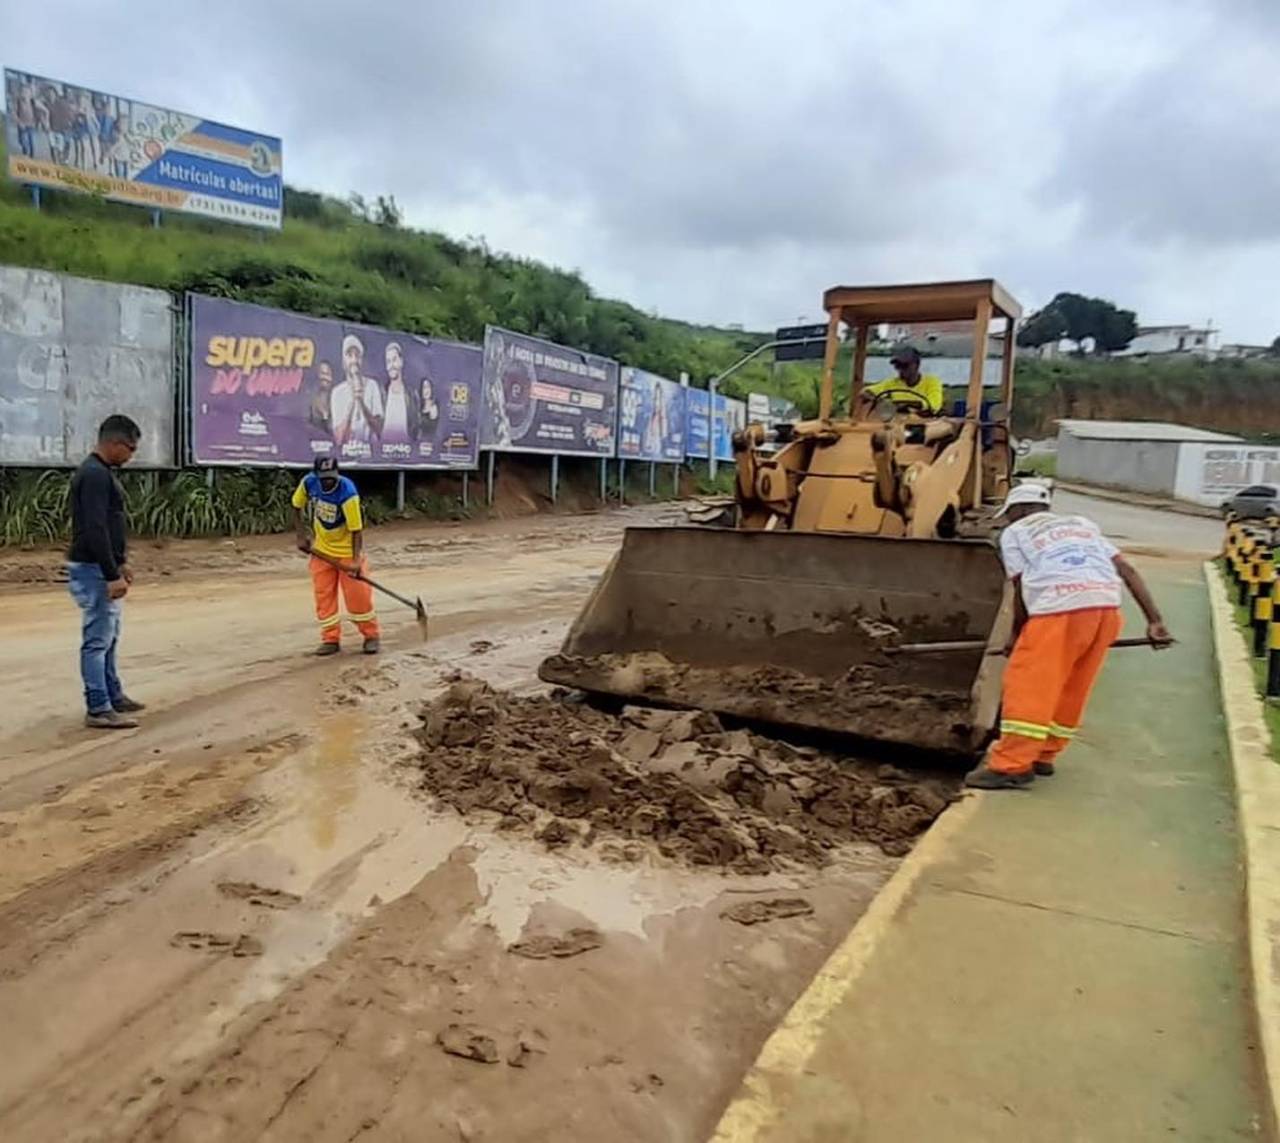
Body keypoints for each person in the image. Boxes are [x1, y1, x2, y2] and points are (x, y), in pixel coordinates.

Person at [965, 482, 1173, 790]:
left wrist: (1018, 633)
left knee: (1029, 687)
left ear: (1018, 510)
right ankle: (1044, 756)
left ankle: (1011, 765)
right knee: (1073, 685)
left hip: (1058, 611)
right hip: (1105, 611)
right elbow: (1127, 571)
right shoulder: (1082, 525)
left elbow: (1020, 587)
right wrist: (1155, 621)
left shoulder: (1016, 532)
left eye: (1009, 514)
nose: (1008, 520)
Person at [67, 415, 146, 729]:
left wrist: (120, 562)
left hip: (100, 566)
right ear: (115, 443)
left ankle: (112, 695)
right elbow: (95, 528)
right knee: (97, 640)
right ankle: (98, 706)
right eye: (130, 448)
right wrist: (110, 572)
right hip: (92, 568)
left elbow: (108, 527)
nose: (131, 455)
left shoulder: (101, 473)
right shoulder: (95, 475)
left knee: (108, 637)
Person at [292, 457, 381, 655]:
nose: (328, 482)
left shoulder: (348, 493)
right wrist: (301, 535)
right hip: (322, 550)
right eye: (323, 478)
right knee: (324, 596)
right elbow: (296, 507)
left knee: (358, 598)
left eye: (331, 478)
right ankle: (330, 639)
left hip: (347, 552)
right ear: (316, 475)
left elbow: (357, 531)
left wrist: (356, 562)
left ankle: (371, 635)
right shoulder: (308, 483)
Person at [330, 334, 384, 452]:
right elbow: (338, 438)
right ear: (344, 361)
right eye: (350, 356)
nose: (354, 360)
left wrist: (362, 403)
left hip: (371, 457)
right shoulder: (337, 392)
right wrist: (352, 402)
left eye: (357, 356)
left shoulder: (372, 386)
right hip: (346, 457)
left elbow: (379, 430)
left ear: (362, 360)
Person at [858, 346, 944, 415]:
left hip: (924, 425)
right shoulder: (892, 383)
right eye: (898, 366)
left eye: (905, 366)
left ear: (917, 365)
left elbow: (934, 404)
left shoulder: (932, 382)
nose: (901, 370)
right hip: (897, 425)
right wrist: (879, 401)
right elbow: (865, 392)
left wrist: (906, 404)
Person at [381, 342, 420, 447]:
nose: (391, 365)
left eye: (394, 360)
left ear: (401, 361)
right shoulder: (381, 393)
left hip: (405, 455)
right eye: (388, 362)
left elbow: (416, 427)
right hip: (382, 455)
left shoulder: (412, 394)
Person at [308, 360, 335, 434]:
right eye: (321, 373)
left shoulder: (339, 398)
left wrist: (325, 415)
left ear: (332, 376)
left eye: (327, 374)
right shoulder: (312, 399)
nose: (324, 377)